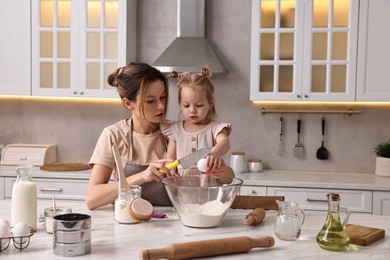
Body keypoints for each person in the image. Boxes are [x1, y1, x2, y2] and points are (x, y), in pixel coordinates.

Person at [85, 62, 174, 210]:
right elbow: (92, 199)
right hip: (126, 224)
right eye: (151, 101)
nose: (161, 106)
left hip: (170, 223)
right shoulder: (113, 135)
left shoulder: (175, 132)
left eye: (163, 97)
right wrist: (142, 176)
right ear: (128, 103)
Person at [161, 67, 232, 176]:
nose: (192, 110)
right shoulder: (175, 130)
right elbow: (170, 159)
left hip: (208, 190)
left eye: (199, 105)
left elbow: (224, 142)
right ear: (180, 105)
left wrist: (215, 152)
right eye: (186, 105)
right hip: (182, 190)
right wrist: (171, 174)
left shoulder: (215, 128)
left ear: (210, 104)